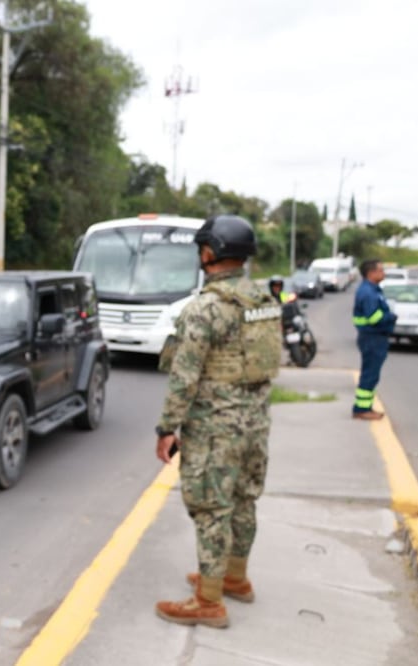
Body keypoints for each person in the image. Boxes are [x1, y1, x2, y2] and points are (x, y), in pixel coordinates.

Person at [153, 215, 281, 629]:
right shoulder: (264, 301)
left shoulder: (206, 308)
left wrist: (167, 429)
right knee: (244, 501)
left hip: (214, 429)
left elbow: (185, 376)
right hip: (256, 423)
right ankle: (235, 578)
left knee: (211, 508)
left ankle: (208, 601)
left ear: (209, 253)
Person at [351, 259, 396, 420]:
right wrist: (390, 317)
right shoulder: (368, 293)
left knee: (372, 374)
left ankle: (365, 406)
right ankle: (361, 409)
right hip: (372, 338)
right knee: (370, 374)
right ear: (371, 273)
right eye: (381, 270)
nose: (383, 273)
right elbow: (374, 317)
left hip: (374, 337)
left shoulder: (373, 290)